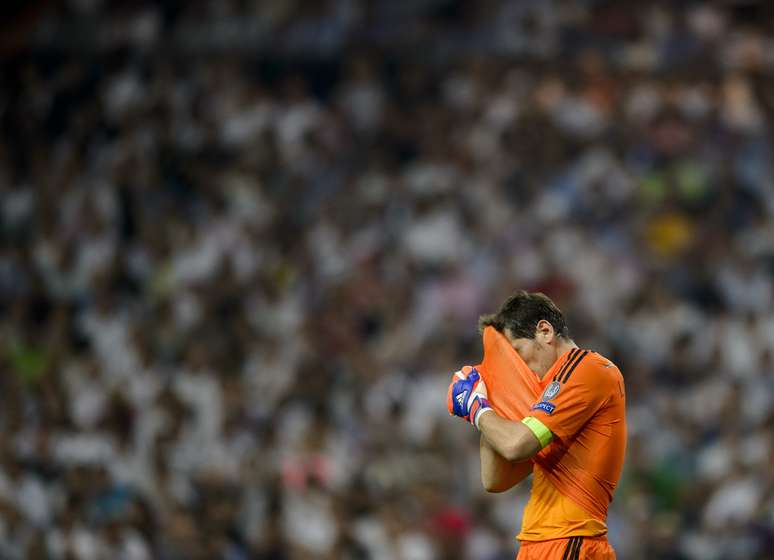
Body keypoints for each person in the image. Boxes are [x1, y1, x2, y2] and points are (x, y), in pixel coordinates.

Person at [448, 291, 626, 559]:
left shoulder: (587, 370)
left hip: (570, 540)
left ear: (544, 331)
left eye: (518, 353)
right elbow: (494, 479)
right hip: (543, 543)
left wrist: (477, 409)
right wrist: (491, 396)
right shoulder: (548, 402)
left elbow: (515, 445)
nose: (518, 369)